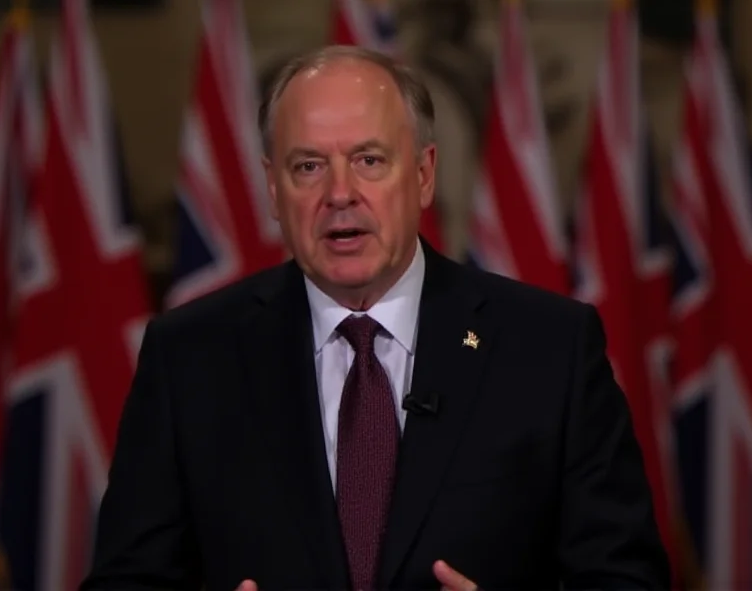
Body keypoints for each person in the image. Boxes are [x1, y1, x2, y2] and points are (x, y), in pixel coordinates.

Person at [80, 45, 670, 591]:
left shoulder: (549, 349)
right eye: (308, 166)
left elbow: (627, 577)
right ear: (271, 189)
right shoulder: (189, 358)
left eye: (369, 159)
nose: (340, 193)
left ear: (422, 174)